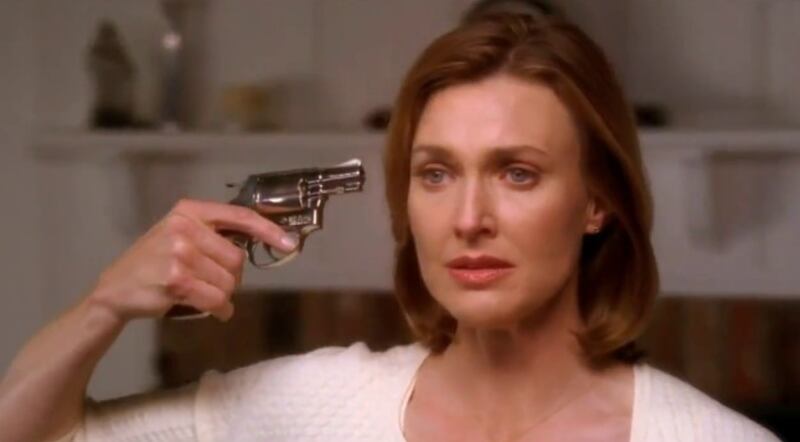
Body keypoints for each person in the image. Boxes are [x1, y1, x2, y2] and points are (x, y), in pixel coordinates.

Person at [0, 14, 780, 442]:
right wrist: (103, 305)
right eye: (435, 174)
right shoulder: (311, 406)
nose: (468, 219)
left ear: (596, 201)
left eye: (517, 173)